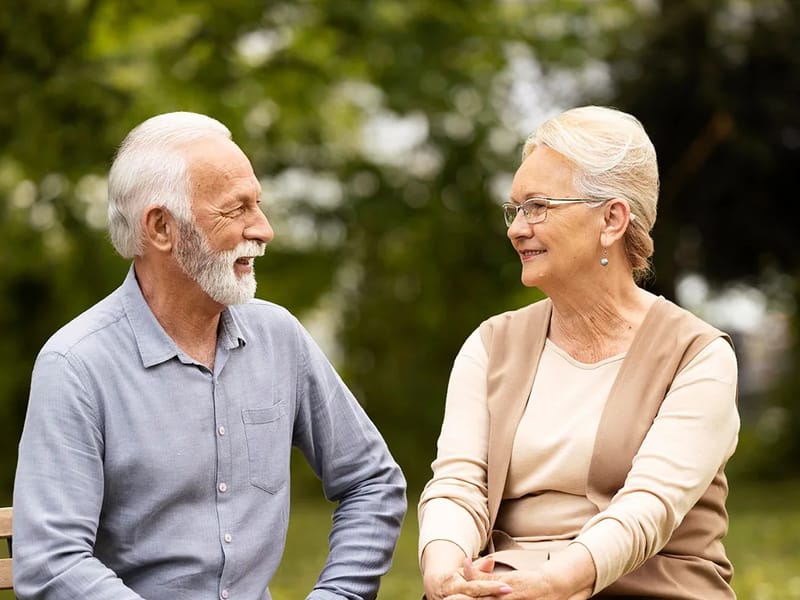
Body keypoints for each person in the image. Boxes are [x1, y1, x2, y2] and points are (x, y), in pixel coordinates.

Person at [13, 111, 407, 600]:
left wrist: (337, 595)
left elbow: (372, 481)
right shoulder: (75, 365)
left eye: (257, 205)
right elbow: (52, 562)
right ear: (161, 228)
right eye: (235, 209)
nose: (263, 229)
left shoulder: (278, 336)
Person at [417, 106, 739, 599]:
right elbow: (458, 486)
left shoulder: (697, 355)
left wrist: (554, 583)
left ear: (611, 219)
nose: (516, 228)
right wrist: (445, 572)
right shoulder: (490, 344)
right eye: (516, 208)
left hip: (647, 586)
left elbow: (647, 507)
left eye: (538, 206)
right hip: (506, 587)